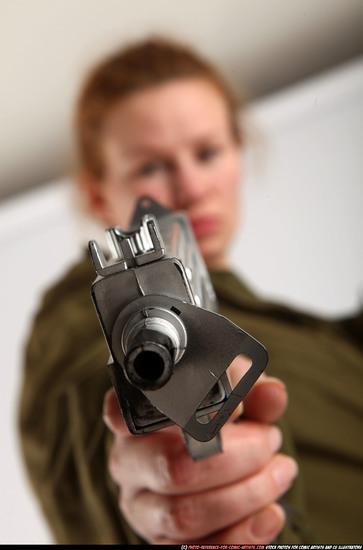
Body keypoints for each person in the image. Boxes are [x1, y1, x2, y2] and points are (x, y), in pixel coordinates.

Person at [18, 37, 363, 545]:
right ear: (98, 192)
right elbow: (92, 416)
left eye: (207, 152)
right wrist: (165, 475)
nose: (192, 186)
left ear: (238, 156)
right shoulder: (79, 309)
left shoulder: (297, 328)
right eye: (150, 167)